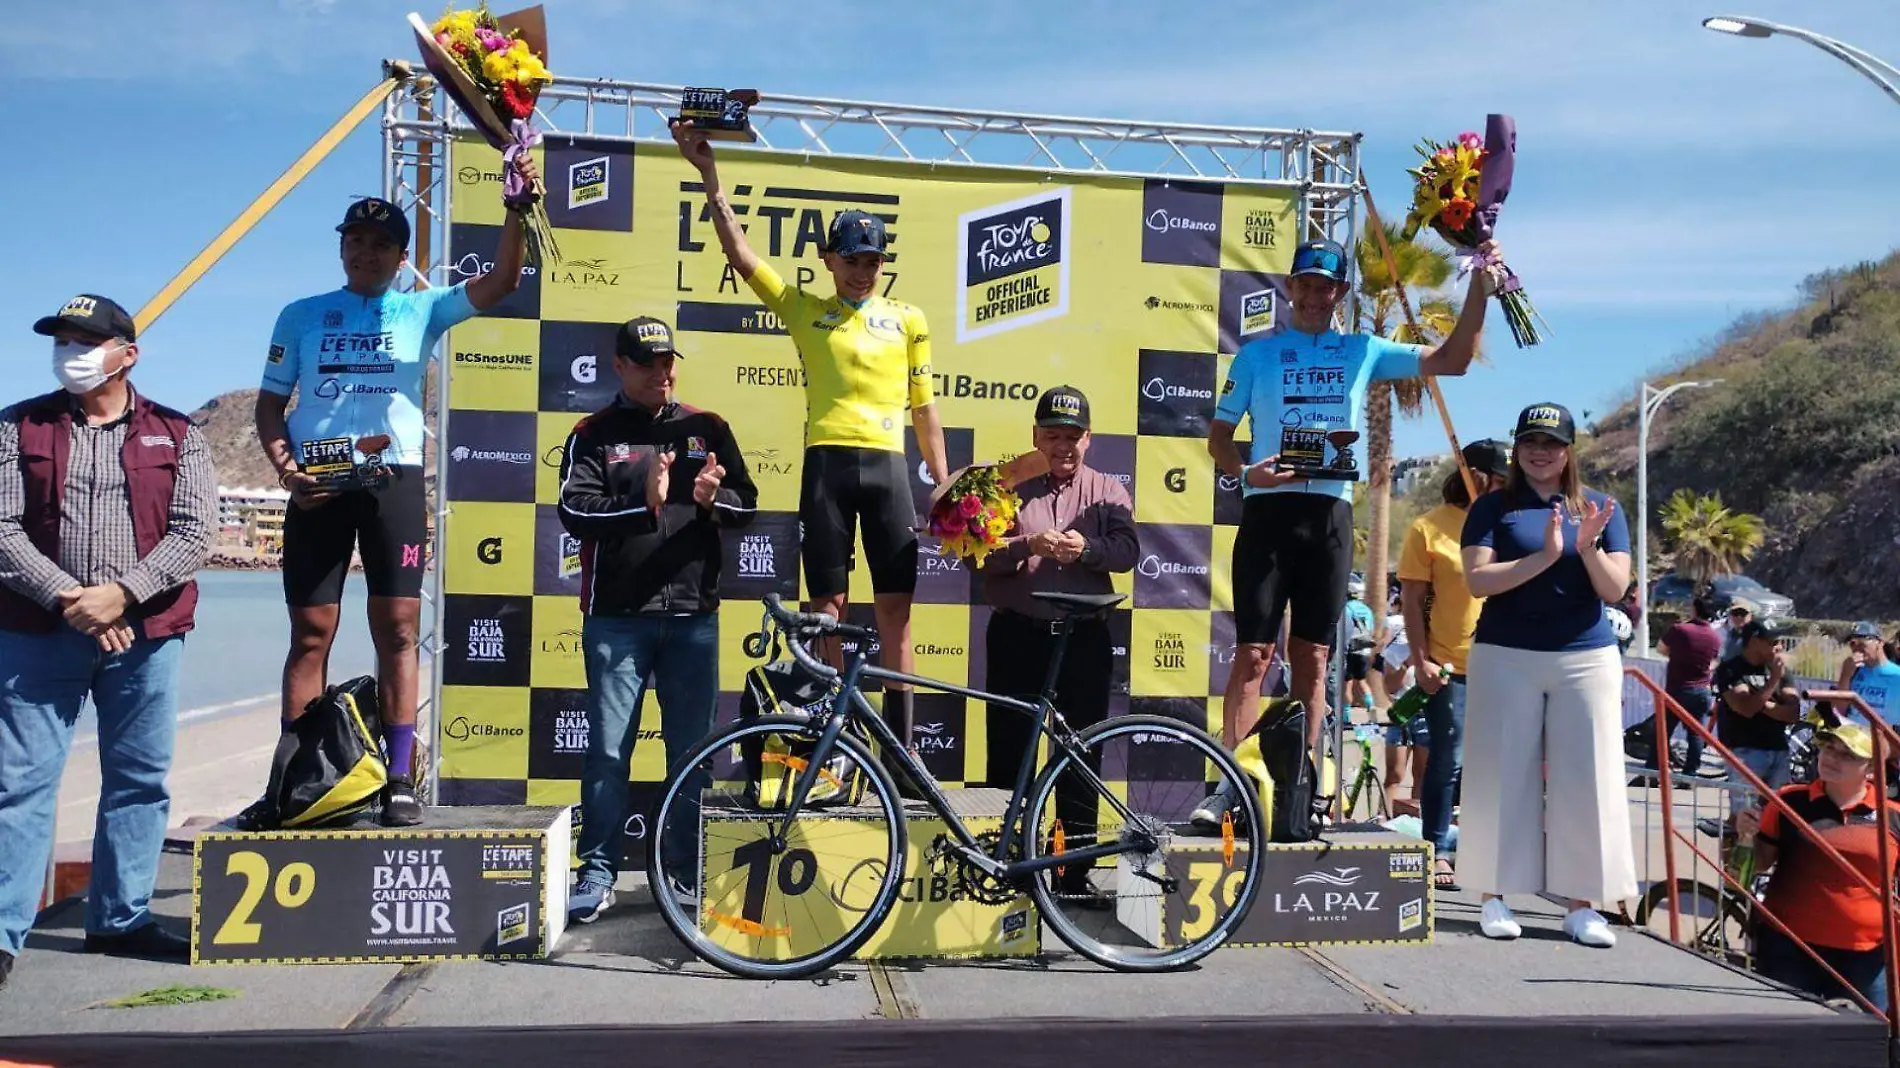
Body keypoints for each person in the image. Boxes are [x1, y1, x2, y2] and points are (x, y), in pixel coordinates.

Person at [249, 163, 538, 829]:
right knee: (310, 632)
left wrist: (516, 211)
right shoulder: (299, 315)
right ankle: (296, 781)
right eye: (354, 241)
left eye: (380, 244)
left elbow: (501, 281)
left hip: (393, 482)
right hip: (315, 483)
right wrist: (284, 467)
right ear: (341, 248)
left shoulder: (422, 307)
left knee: (399, 629)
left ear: (402, 257)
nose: (365, 252)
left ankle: (398, 777)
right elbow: (270, 407)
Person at [673, 122, 949, 772]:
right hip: (826, 468)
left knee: (896, 616)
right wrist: (710, 177)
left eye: (872, 261)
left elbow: (924, 407)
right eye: (850, 259)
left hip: (886, 471)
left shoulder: (908, 319)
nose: (862, 271)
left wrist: (944, 480)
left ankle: (901, 749)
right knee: (826, 610)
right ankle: (838, 742)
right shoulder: (803, 309)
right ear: (828, 260)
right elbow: (742, 258)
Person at [1199, 237, 1495, 821]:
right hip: (1267, 513)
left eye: (1326, 286)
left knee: (1312, 658)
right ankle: (1229, 783)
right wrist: (1245, 470)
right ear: (1290, 287)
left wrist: (1480, 286)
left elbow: (1453, 360)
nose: (1315, 295)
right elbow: (1218, 438)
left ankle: (1298, 789)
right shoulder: (1255, 356)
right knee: (1253, 655)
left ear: (1340, 293)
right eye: (1305, 283)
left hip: (1328, 516)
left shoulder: (1363, 349)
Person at [0, 294, 217, 986]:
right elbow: (1, 530)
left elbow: (195, 533)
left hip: (146, 635)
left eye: (86, 341)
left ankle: (118, 920)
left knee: (138, 780)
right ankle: (4, 937)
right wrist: (72, 599)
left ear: (128, 354)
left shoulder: (180, 433)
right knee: (20, 784)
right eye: (62, 341)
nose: (71, 353)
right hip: (38, 631)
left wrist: (120, 594)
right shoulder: (16, 427)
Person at [558, 317, 757, 920]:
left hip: (694, 616)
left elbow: (746, 505)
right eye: (647, 363)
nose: (661, 373)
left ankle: (683, 870)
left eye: (668, 361)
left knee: (691, 754)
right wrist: (643, 504)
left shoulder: (709, 427)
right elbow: (574, 510)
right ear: (619, 365)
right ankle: (596, 872)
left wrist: (710, 501)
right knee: (610, 753)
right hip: (617, 619)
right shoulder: (592, 433)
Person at [1459, 403, 1635, 948]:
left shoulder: (1604, 508)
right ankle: (1494, 895)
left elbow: (1614, 590)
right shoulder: (1491, 508)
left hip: (1586, 656)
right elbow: (1477, 581)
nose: (1542, 451)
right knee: (1499, 774)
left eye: (1553, 443)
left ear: (1569, 451)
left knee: (1590, 776)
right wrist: (1543, 558)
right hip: (1505, 654)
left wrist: (1585, 549)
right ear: (1515, 448)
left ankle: (1584, 905)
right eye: (1531, 441)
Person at [978, 386, 1137, 906]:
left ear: (1088, 439)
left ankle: (1073, 873)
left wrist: (1086, 548)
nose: (1062, 446)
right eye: (1052, 436)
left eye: (1072, 436)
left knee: (1081, 755)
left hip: (1083, 638)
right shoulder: (1003, 486)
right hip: (1017, 634)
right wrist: (1029, 545)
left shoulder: (1109, 490)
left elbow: (1127, 551)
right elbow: (976, 556)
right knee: (1008, 755)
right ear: (1034, 436)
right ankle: (1007, 867)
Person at [1398, 438, 1511, 890]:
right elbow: (1412, 600)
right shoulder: (1428, 528)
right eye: (1502, 479)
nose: (1509, 488)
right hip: (1450, 665)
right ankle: (1438, 847)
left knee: (1500, 762)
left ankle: (1492, 848)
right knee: (1449, 758)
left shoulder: (1512, 524)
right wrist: (1421, 660)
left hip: (1506, 661)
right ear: (1477, 476)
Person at [1738, 724, 1896, 1010]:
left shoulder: (1893, 816)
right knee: (1782, 1032)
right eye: (1828, 748)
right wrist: (1745, 837)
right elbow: (1754, 867)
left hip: (1867, 953)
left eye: (1847, 754)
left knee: (1867, 1040)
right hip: (1789, 946)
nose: (1831, 758)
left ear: (1871, 768)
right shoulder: (1788, 800)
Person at [1715, 618, 1800, 816]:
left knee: (1776, 814)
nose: (1779, 647)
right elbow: (1745, 708)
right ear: (1754, 642)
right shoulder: (1731, 669)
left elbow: (1793, 712)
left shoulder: (1779, 669)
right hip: (1746, 751)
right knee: (1743, 815)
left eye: (1780, 642)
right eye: (1773, 642)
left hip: (1779, 749)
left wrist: (1763, 703)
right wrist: (1772, 683)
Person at [1657, 595, 1726, 777]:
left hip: (1677, 688)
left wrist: (1678, 655)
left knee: (1664, 731)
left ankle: (1655, 769)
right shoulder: (1714, 637)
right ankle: (1690, 774)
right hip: (1701, 690)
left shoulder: (1679, 629)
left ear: (1695, 609)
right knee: (1695, 734)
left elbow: (1661, 649)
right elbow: (1715, 660)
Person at [1846, 620, 1900, 730]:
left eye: (1862, 642)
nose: (1856, 648)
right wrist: (1845, 675)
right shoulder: (1854, 671)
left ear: (1879, 642)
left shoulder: (1896, 675)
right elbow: (1839, 711)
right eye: (1852, 643)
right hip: (1853, 740)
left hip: (1885, 742)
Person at [1343, 577, 1378, 720]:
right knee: (1362, 680)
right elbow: (1371, 629)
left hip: (1351, 649)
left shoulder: (1346, 608)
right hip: (1365, 650)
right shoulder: (1367, 610)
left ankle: (1345, 716)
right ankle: (1371, 706)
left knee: (1347, 683)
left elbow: (1345, 630)